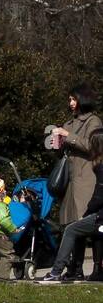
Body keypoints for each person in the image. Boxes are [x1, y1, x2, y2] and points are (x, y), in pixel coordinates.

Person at [48, 86, 103, 280]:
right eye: (70, 99)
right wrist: (57, 144)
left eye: (74, 99)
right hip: (70, 181)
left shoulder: (93, 120)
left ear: (83, 99)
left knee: (88, 225)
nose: (71, 103)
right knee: (71, 224)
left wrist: (67, 135)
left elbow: (92, 145)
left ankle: (97, 268)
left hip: (86, 179)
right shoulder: (69, 122)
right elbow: (66, 149)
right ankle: (75, 267)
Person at [39, 131, 103, 284]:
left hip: (101, 216)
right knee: (98, 234)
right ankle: (98, 271)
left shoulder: (101, 167)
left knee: (71, 229)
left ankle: (56, 271)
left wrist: (86, 213)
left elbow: (99, 197)